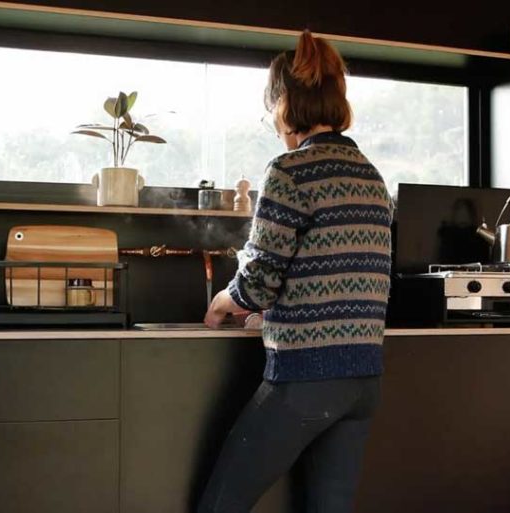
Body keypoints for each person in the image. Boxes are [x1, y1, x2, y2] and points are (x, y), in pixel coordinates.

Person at [199, 30, 394, 512]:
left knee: (222, 504)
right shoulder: (370, 175)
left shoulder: (290, 171)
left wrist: (229, 299)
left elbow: (262, 276)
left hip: (306, 379)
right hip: (363, 379)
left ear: (283, 104)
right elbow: (330, 267)